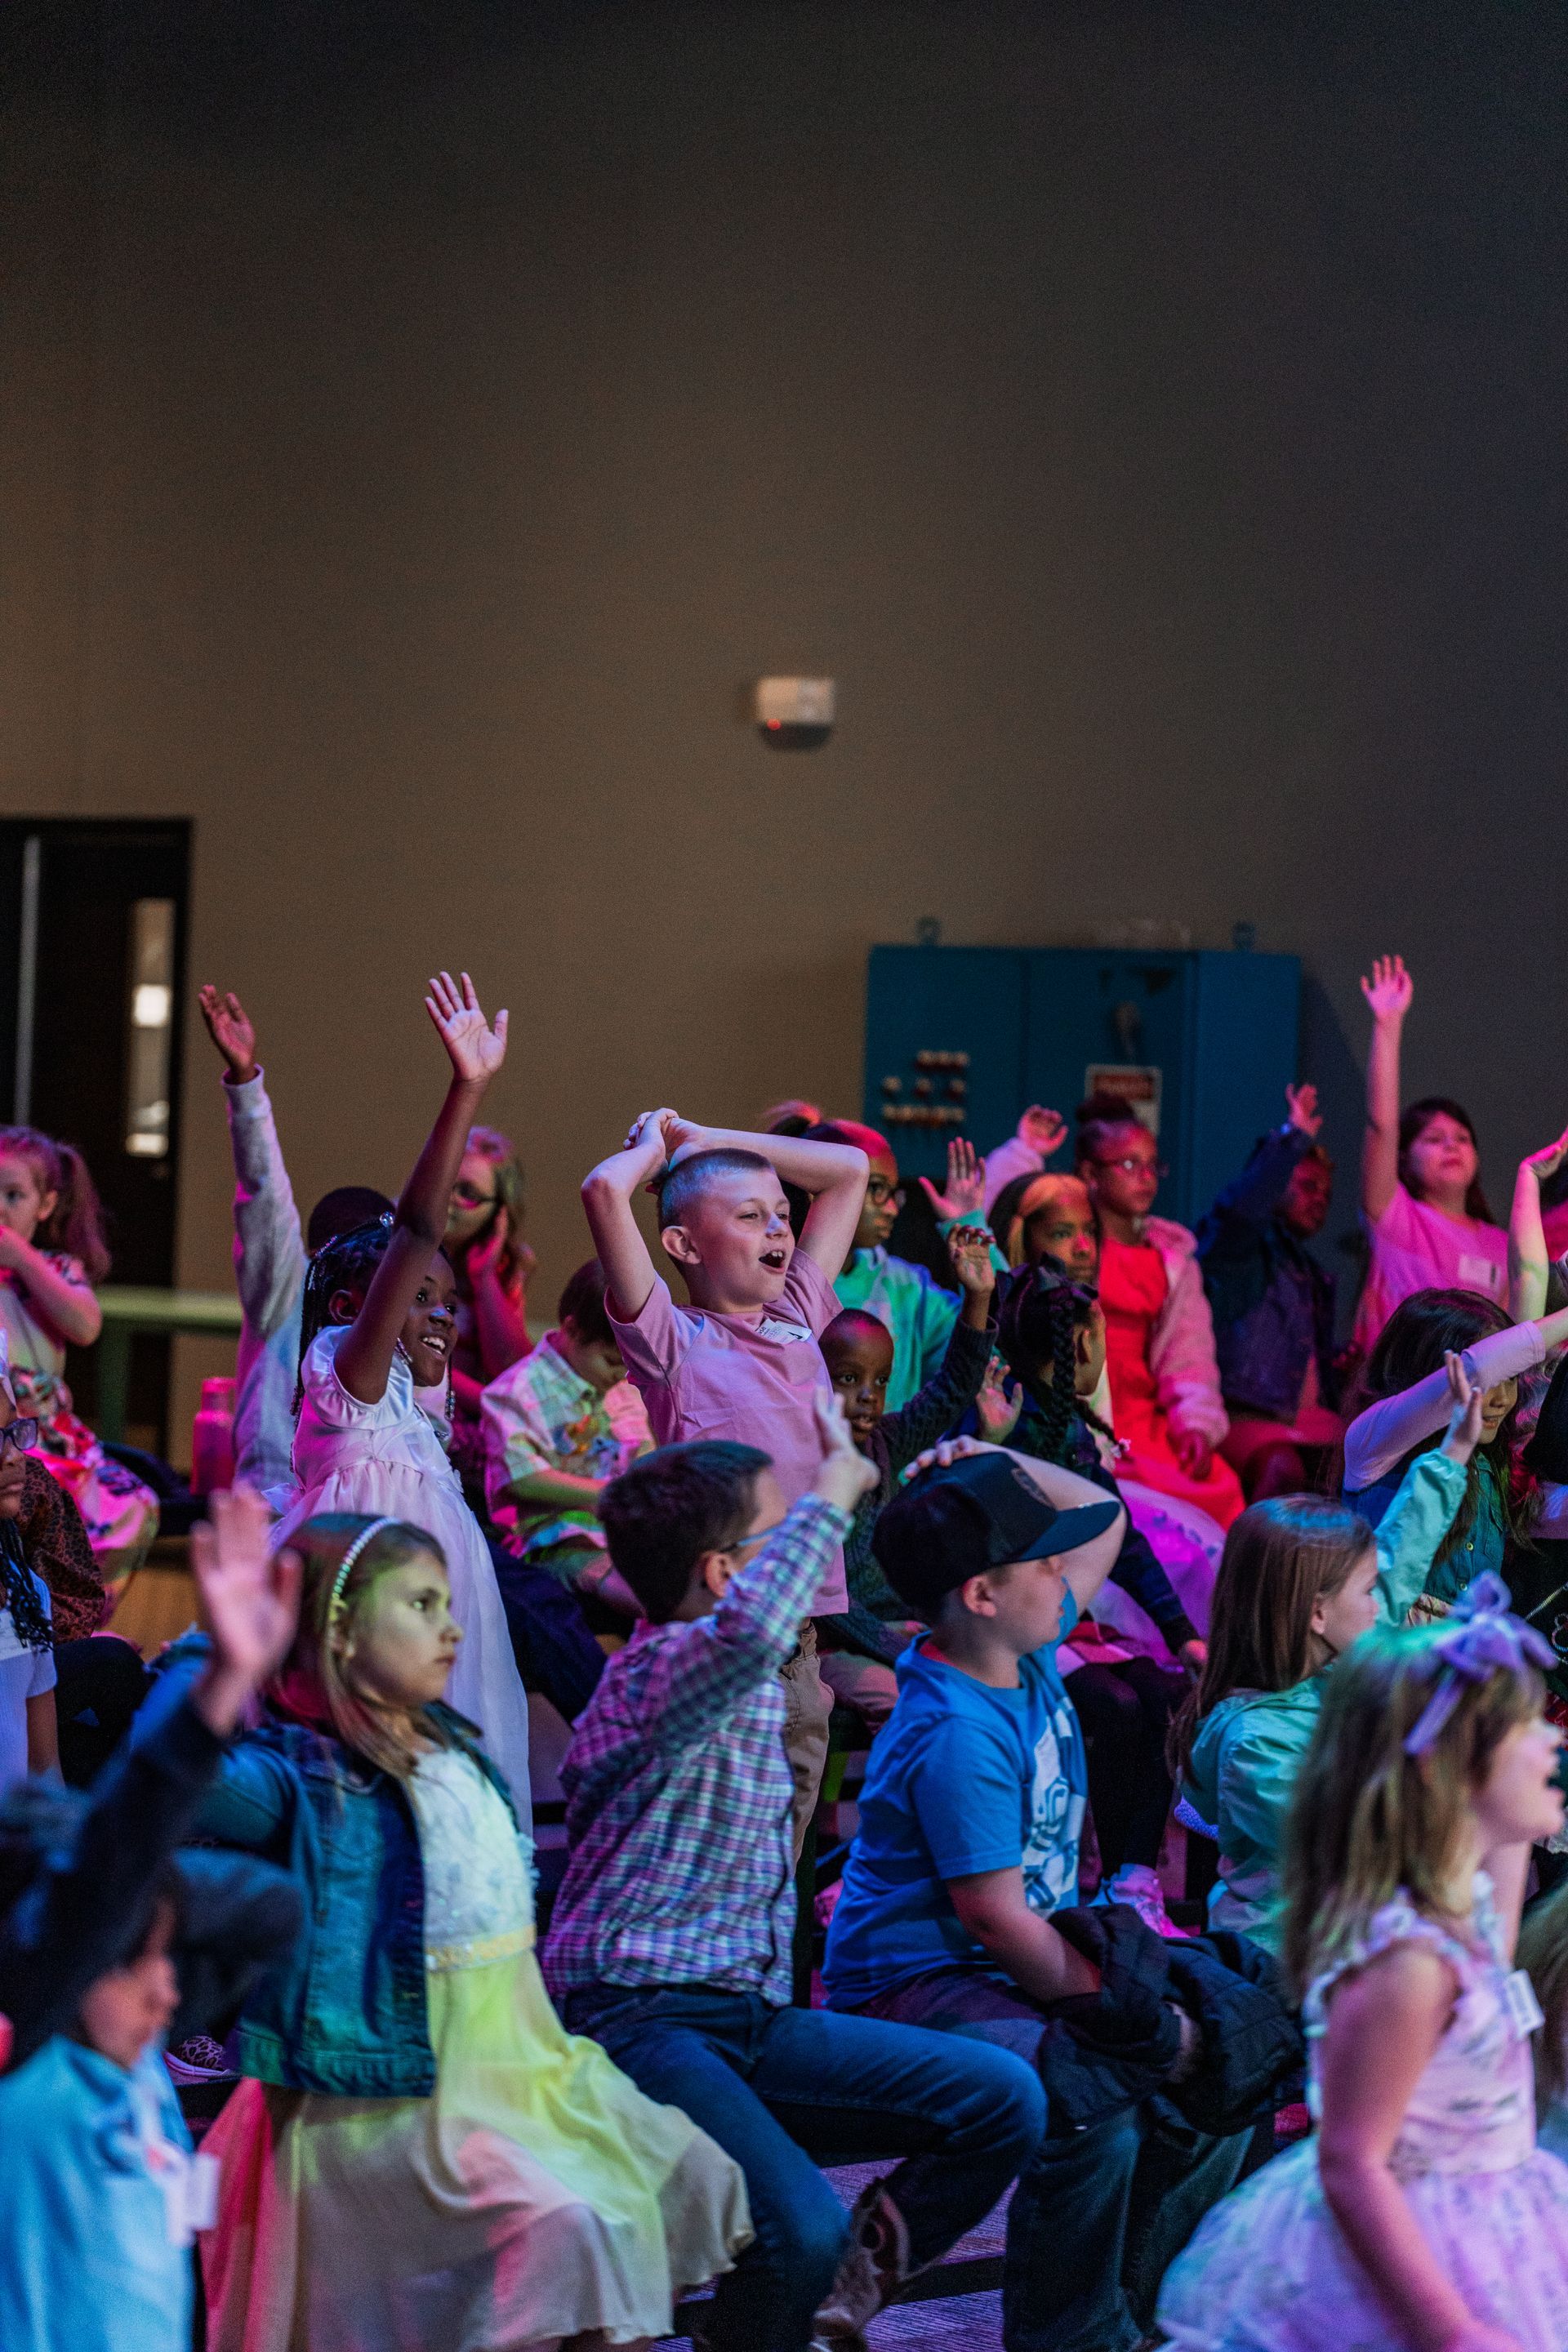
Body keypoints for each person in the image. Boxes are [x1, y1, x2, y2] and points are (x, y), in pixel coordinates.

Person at [546, 1402, 1046, 2352]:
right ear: (727, 1574)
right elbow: (739, 1642)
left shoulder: (736, 1675)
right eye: (778, 1539)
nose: (803, 1559)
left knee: (1002, 2096)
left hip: (744, 2013)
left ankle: (854, 2279)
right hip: (634, 2015)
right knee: (797, 2226)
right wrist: (833, 1489)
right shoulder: (658, 1672)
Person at [188, 1503, 748, 2352]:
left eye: (448, 1604)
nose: (452, 1630)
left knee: (656, 2194)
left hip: (515, 2071)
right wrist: (229, 1653)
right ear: (337, 1635)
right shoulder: (311, 1782)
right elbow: (189, 1776)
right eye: (420, 1606)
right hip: (381, 2104)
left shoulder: (458, 1750)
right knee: (570, 2232)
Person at [823, 1443, 1295, 2352]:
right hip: (919, 1978)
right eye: (1040, 1561)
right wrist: (1132, 2020)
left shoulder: (1018, 1649)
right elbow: (992, 1920)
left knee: (1238, 2031)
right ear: (981, 1594)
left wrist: (994, 1456)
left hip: (1019, 1947)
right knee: (1095, 2094)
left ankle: (1155, 2306)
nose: (1062, 1573)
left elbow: (1105, 1518)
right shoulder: (956, 1726)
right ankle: (1069, 2334)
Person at [1158, 1582, 1568, 2352]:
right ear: (1453, 1771)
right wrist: (1451, 2330)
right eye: (1528, 1729)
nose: (1554, 1742)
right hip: (1407, 2245)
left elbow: (1501, 1851)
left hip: (1498, 2218)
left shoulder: (1471, 1916)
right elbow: (1351, 2160)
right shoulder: (1408, 1964)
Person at [0, 1485, 303, 2352]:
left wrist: (154, 1912)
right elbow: (93, 1899)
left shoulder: (136, 2072)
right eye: (132, 1963)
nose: (166, 1991)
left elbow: (272, 1916)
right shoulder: (25, 2081)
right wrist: (218, 1690)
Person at [270, 971, 532, 1818]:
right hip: (369, 1614)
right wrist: (467, 1087)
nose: (441, 1316)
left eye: (446, 1302)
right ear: (356, 1311)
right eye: (417, 1297)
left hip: (449, 1610)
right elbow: (418, 1228)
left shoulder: (420, 1411)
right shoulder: (347, 1380)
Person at [581, 1106, 870, 1842]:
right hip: (714, 1643)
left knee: (777, 1870)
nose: (779, 1228)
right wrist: (655, 1150)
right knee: (708, 1857)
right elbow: (602, 1193)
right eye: (751, 1216)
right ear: (682, 1244)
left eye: (782, 1215)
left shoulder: (801, 1313)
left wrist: (713, 1141)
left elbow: (849, 1171)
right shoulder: (672, 1341)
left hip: (796, 1649)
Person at [1172, 1358, 1479, 1953]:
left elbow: (1400, 1553)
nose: (1381, 1604)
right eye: (1365, 1592)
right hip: (1273, 1973)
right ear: (1317, 1613)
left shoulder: (1340, 1659)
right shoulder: (1255, 1739)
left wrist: (1455, 1450)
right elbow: (1345, 1841)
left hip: (1346, 1961)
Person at [991, 1266, 1210, 1932]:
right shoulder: (1012, 1431)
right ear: (1079, 1348)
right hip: (1018, 1631)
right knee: (1115, 1709)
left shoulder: (1074, 1435)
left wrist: (1180, 1633)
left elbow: (1126, 1543)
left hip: (1073, 1623)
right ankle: (1101, 1879)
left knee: (1170, 1696)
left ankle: (1133, 1878)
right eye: (1100, 1342)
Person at [198, 983, 393, 1494]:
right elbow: (264, 1193)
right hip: (274, 1505)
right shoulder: (288, 1293)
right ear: (313, 1259)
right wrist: (245, 1083)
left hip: (353, 1507)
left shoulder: (390, 1323)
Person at [816, 1221, 999, 1730]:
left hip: (897, 1629)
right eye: (849, 1380)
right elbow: (827, 1605)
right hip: (835, 1643)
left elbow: (952, 1390)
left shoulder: (887, 1442)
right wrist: (898, 1649)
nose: (869, 1396)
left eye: (880, 1382)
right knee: (913, 1706)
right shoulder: (805, 1470)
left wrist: (977, 1297)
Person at [1075, 1092, 1245, 1530]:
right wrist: (1024, 1154)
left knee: (1216, 1490)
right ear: (1091, 1173)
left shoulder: (1170, 1261)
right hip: (1086, 1403)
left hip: (1142, 1417)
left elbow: (1188, 1357)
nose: (1146, 1178)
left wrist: (1195, 1425)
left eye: (1153, 1165)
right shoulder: (1074, 1247)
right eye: (1129, 1165)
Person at [0, 1122, 158, 1583]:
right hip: (6, 1437)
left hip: (45, 1435)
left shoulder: (53, 1270)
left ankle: (76, 1626)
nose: (0, 1210)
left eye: (13, 1197)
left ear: (46, 1206)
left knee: (131, 1507)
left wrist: (23, 1259)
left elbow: (85, 1325)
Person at [1342, 1289, 1568, 1601]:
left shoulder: (1493, 1469)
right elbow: (1477, 1368)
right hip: (1388, 1646)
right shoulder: (1375, 1440)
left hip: (1455, 1649)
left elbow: (1553, 1512)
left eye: (1512, 1379)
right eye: (1491, 1381)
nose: (1502, 1399)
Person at [1355, 952, 1509, 1354]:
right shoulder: (1398, 1219)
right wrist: (1388, 1025)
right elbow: (1381, 1127)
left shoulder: (1501, 1244)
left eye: (1462, 1138)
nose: (1451, 1146)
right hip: (1406, 1395)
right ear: (1403, 1158)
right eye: (1433, 1138)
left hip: (1478, 1403)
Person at [1197, 1083, 1344, 1499]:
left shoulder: (1310, 1272)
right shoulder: (1235, 1247)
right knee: (1281, 1468)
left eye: (1327, 1194)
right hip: (1247, 1413)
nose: (1321, 1201)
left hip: (1303, 1421)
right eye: (1308, 1187)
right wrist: (1291, 1138)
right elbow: (1245, 1207)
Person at [481, 1256, 651, 1618]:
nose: (620, 1375)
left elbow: (641, 1443)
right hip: (552, 1543)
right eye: (610, 1360)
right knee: (610, 1575)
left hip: (621, 1535)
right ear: (572, 1330)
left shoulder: (621, 1387)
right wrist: (607, 1495)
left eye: (627, 1364)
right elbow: (522, 1477)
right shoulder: (515, 1392)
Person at [815, 1119, 966, 1413]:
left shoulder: (907, 1287)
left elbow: (989, 1350)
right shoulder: (772, 1283)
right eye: (875, 1188)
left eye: (893, 1193)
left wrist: (967, 1223)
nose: (892, 1209)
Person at [441, 1121, 534, 1492]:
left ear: (499, 1213)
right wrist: (492, 1405)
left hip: (463, 1430)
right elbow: (405, 1358)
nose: (448, 1197)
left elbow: (510, 1371)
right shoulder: (391, 1246)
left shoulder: (500, 1268)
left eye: (467, 1193)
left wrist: (484, 1279)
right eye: (446, 1179)